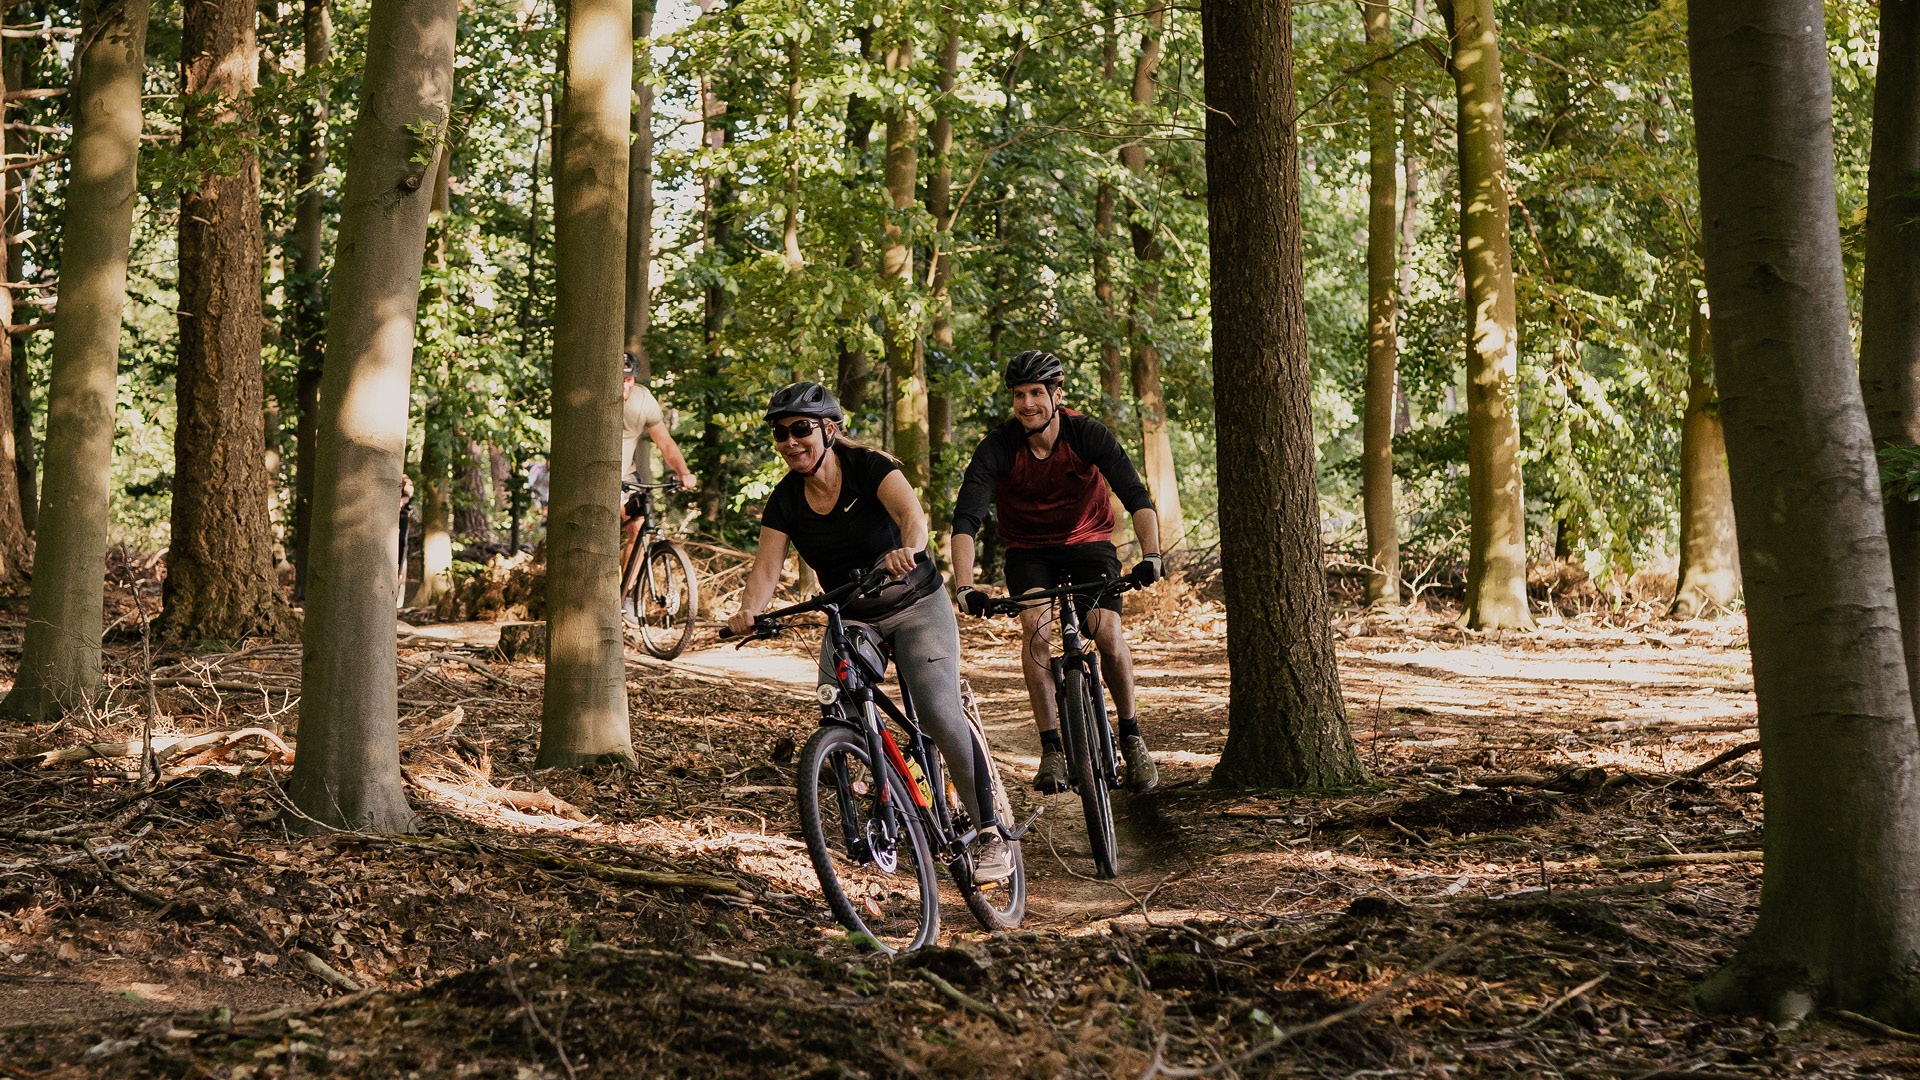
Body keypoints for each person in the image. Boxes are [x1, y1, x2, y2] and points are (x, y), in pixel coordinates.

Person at [726, 382, 1014, 882]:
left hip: (916, 603)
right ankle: (883, 799)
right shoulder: (785, 500)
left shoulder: (869, 466)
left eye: (800, 430)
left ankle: (991, 833)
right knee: (833, 702)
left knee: (937, 712)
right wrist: (749, 612)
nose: (790, 442)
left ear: (828, 430)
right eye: (780, 434)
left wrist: (908, 548)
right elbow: (766, 570)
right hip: (852, 615)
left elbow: (912, 517)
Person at [949, 350, 1164, 795]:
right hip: (1029, 551)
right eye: (1018, 395)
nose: (1027, 404)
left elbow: (1135, 494)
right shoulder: (999, 446)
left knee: (1105, 632)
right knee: (1036, 630)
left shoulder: (1086, 433)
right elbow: (967, 519)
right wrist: (965, 585)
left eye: (1036, 393)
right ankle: (1052, 750)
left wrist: (1153, 555)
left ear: (1057, 394)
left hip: (1089, 543)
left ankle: (1132, 737)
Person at [622, 352, 697, 623]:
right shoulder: (597, 397)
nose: (625, 386)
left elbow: (665, 443)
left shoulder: (643, 399)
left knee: (638, 527)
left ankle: (626, 596)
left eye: (629, 379)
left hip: (626, 475)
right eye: (620, 379)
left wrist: (683, 472)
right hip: (595, 476)